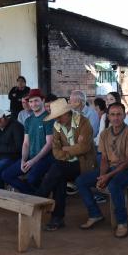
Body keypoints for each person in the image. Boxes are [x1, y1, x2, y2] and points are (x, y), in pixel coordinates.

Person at [75, 102, 128, 238]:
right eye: (112, 115)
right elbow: (104, 159)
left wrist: (108, 176)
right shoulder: (104, 134)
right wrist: (101, 176)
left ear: (124, 116)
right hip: (111, 168)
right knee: (81, 181)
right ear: (108, 117)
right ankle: (95, 214)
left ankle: (122, 222)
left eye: (119, 114)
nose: (116, 118)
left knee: (114, 184)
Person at [39, 98, 97, 231]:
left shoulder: (83, 122)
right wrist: (72, 150)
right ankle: (56, 218)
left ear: (67, 113)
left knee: (57, 169)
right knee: (59, 176)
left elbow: (84, 148)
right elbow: (56, 151)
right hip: (65, 164)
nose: (57, 119)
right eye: (56, 117)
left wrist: (66, 149)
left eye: (59, 116)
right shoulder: (57, 125)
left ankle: (40, 198)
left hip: (85, 164)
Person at [1, 89, 54, 194]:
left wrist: (33, 161)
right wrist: (23, 160)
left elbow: (49, 144)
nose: (33, 104)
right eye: (31, 101)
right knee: (6, 175)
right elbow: (26, 143)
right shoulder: (28, 120)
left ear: (43, 100)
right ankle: (33, 195)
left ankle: (38, 195)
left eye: (36, 100)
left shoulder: (49, 118)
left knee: (32, 178)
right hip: (30, 156)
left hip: (45, 157)